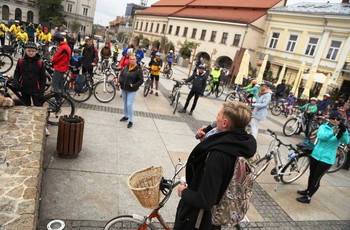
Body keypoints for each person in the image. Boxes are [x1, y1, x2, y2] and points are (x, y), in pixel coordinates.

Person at [174, 101, 257, 230]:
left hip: (200, 220)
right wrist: (206, 143)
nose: (215, 118)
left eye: (218, 115)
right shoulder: (243, 144)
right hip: (219, 211)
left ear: (224, 123)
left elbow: (206, 200)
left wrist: (184, 192)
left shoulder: (217, 156)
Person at [296, 110, 349, 203]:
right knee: (312, 175)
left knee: (316, 177)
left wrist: (344, 131)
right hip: (316, 155)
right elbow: (321, 136)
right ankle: (308, 190)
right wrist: (332, 132)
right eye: (333, 118)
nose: (335, 120)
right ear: (329, 119)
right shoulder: (323, 127)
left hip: (327, 159)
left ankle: (308, 197)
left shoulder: (341, 130)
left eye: (338, 119)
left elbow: (346, 141)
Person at [12, 42, 46, 106]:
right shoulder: (21, 61)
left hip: (36, 89)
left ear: (36, 51)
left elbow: (43, 78)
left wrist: (41, 92)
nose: (31, 53)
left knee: (38, 106)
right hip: (24, 88)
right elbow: (17, 73)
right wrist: (15, 82)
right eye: (29, 50)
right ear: (25, 51)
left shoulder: (40, 62)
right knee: (26, 105)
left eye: (33, 51)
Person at [118, 55, 144, 129]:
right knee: (125, 103)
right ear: (129, 60)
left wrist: (134, 85)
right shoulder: (126, 67)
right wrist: (119, 82)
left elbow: (141, 80)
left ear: (136, 60)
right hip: (124, 88)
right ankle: (126, 116)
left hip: (132, 90)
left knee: (129, 104)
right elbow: (122, 75)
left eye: (133, 59)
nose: (132, 60)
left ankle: (131, 121)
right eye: (131, 59)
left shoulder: (138, 70)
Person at [51, 33, 71, 104]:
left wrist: (52, 60)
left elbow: (56, 57)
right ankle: (61, 99)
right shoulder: (66, 46)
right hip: (63, 67)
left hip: (60, 67)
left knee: (55, 85)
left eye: (55, 42)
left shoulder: (63, 47)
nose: (55, 43)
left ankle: (58, 100)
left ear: (58, 41)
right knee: (60, 84)